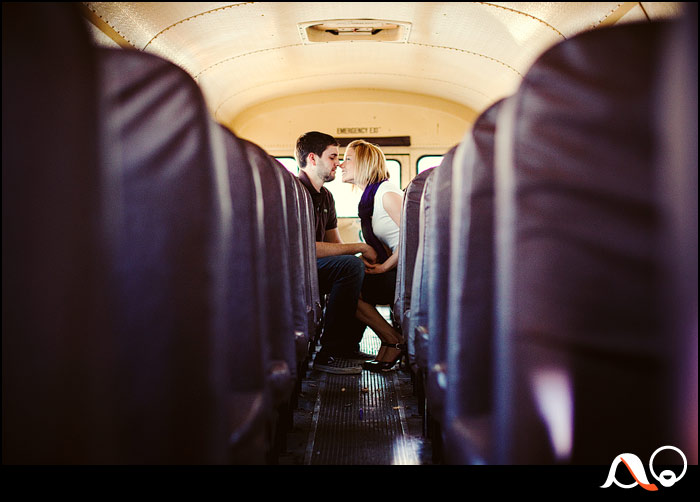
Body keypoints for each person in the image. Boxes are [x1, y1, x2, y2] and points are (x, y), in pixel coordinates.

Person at [295, 131, 378, 374]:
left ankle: (347, 346)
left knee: (360, 268)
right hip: (296, 269)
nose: (338, 163)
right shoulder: (295, 193)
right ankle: (329, 353)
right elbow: (306, 248)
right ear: (312, 158)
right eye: (332, 157)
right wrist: (360, 247)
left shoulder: (326, 197)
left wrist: (358, 258)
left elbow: (335, 244)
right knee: (350, 266)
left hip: (315, 266)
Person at [339, 139, 405, 372]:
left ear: (365, 163)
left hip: (407, 275)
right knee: (349, 278)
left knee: (348, 288)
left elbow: (416, 238)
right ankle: (389, 340)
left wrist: (385, 267)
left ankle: (392, 339)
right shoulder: (371, 197)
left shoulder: (387, 193)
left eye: (347, 159)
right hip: (399, 269)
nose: (341, 165)